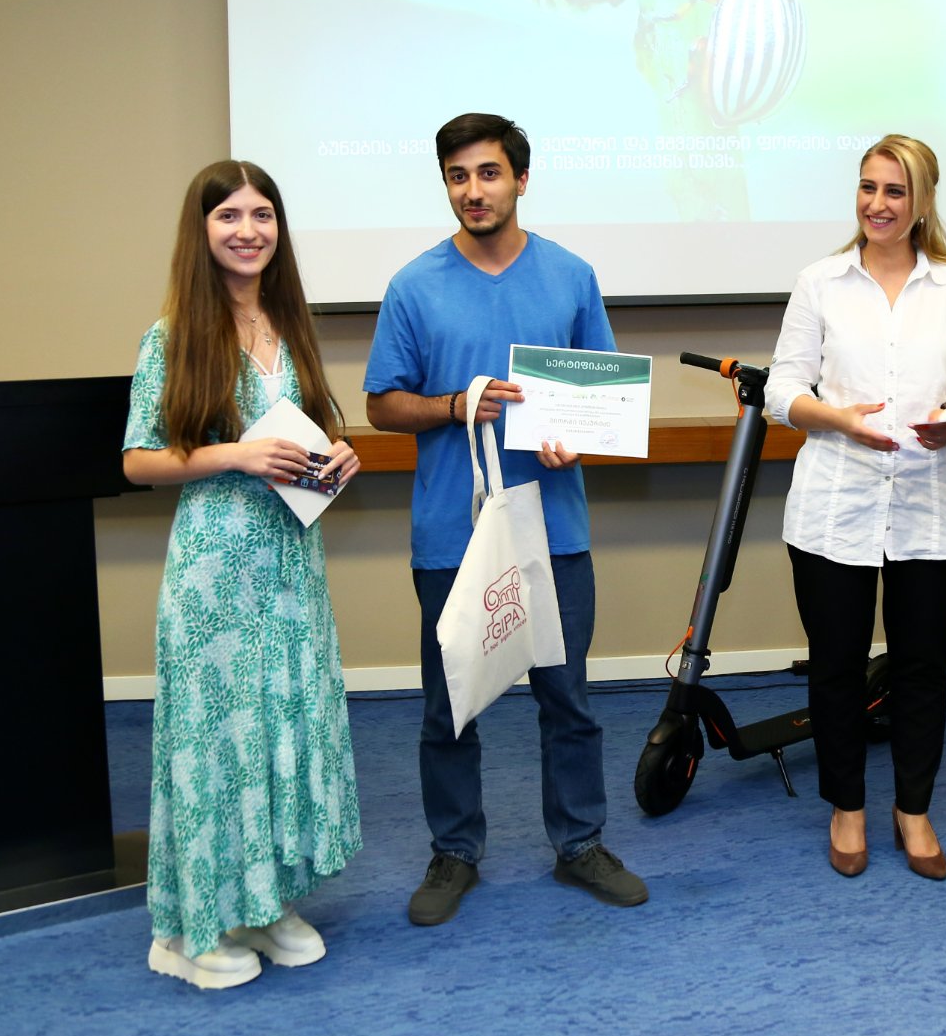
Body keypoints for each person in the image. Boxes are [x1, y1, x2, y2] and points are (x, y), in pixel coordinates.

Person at [364, 112, 647, 926]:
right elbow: (383, 404)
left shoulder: (570, 276)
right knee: (449, 705)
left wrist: (577, 442)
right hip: (452, 533)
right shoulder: (414, 285)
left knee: (568, 699)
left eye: (488, 173)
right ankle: (455, 850)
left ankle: (580, 842)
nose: (473, 190)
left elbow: (602, 399)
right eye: (457, 176)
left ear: (521, 179)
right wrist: (454, 404)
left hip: (553, 529)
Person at [122, 160, 364, 990]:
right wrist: (236, 454)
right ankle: (186, 929)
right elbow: (137, 458)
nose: (248, 230)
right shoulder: (171, 336)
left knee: (279, 729)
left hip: (291, 565)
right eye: (229, 215)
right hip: (214, 572)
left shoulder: (288, 325)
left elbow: (306, 429)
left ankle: (260, 902)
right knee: (216, 744)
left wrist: (337, 454)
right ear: (202, 231)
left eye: (263, 214)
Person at [765, 136, 946, 881]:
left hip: (930, 502)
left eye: (894, 190)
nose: (877, 203)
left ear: (921, 201)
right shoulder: (820, 282)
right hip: (835, 503)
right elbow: (780, 391)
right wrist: (838, 418)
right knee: (835, 665)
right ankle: (848, 807)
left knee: (922, 666)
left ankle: (914, 809)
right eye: (868, 187)